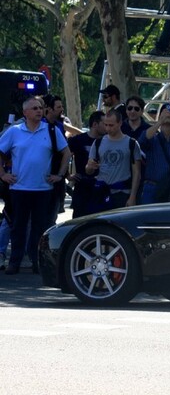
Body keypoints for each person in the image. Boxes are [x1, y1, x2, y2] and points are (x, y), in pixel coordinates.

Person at [0, 97, 71, 274]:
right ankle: (14, 262)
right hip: (19, 189)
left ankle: (36, 261)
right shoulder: (14, 131)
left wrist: (60, 175)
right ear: (25, 113)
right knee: (18, 227)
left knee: (40, 228)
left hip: (43, 190)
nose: (39, 111)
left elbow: (66, 153)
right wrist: (3, 175)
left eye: (41, 108)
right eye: (35, 108)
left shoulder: (51, 130)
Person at [85, 110, 142, 212]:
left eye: (111, 125)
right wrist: (89, 167)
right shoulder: (98, 142)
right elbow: (89, 170)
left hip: (122, 193)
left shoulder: (131, 143)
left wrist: (132, 197)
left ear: (120, 123)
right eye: (106, 125)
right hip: (101, 192)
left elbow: (137, 173)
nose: (108, 128)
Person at [68, 111, 106, 218]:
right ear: (95, 124)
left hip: (102, 187)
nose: (107, 127)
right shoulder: (78, 140)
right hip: (82, 187)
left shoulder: (107, 140)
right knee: (79, 223)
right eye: (104, 123)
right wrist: (68, 175)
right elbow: (63, 156)